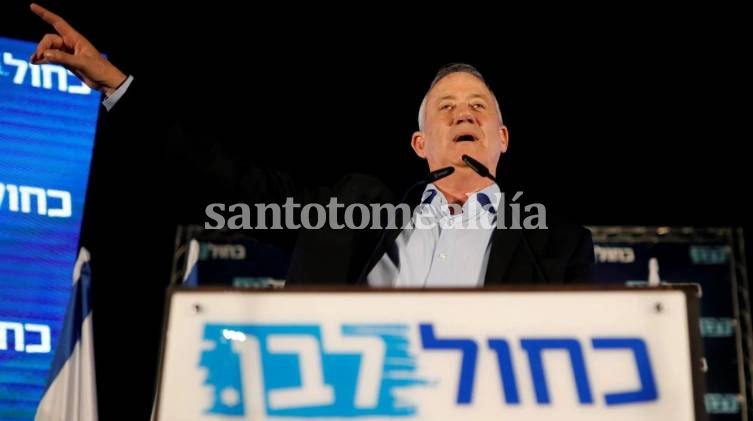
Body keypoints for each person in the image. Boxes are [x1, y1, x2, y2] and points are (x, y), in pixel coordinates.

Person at [29, 3, 595, 287]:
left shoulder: (557, 242)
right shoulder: (359, 208)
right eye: (445, 107)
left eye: (478, 107)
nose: (463, 112)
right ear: (420, 143)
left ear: (502, 137)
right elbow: (227, 178)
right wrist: (117, 84)